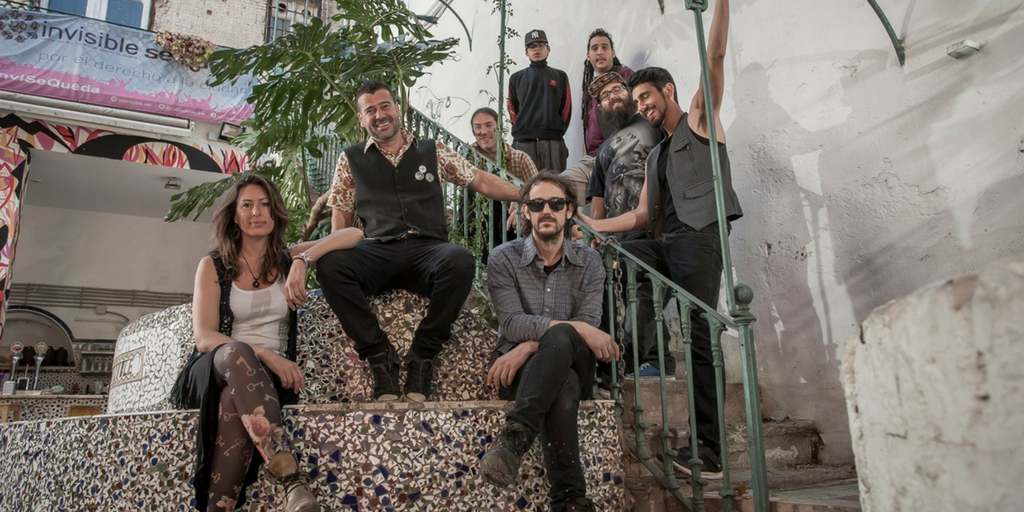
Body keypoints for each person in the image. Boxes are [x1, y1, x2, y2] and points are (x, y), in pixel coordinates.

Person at [578, 0, 741, 479]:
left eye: (648, 97)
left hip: (699, 238)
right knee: (614, 259)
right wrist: (588, 225)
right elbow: (640, 215)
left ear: (668, 90)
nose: (644, 106)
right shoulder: (656, 156)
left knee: (701, 336)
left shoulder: (700, 122)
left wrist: (720, 6)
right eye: (639, 101)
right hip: (664, 241)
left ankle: (709, 450)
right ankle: (613, 359)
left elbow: (714, 58)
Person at [317, 80, 521, 404]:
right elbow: (340, 221)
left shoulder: (432, 150)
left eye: (385, 106)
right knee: (330, 264)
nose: (380, 115)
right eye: (370, 110)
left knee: (460, 260)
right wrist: (313, 256)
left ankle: (423, 355)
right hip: (377, 250)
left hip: (428, 250)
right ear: (361, 118)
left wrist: (527, 195)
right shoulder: (350, 159)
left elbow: (480, 179)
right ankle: (378, 355)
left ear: (398, 109)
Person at [171, 173, 364, 512]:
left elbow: (354, 234)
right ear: (235, 216)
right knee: (237, 352)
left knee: (234, 401)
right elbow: (204, 337)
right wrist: (267, 355)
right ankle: (291, 480)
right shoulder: (214, 265)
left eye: (264, 205)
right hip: (215, 368)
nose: (256, 212)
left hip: (259, 383)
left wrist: (304, 259)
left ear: (275, 214)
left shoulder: (287, 260)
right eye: (247, 205)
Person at [480, 172, 618, 512]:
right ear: (525, 211)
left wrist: (530, 345)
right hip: (518, 373)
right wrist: (543, 341)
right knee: (563, 382)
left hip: (571, 358)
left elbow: (585, 327)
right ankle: (570, 500)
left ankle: (514, 436)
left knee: (563, 340)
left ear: (569, 211)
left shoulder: (589, 261)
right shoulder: (503, 258)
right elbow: (511, 323)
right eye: (537, 204)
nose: (547, 211)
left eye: (556, 204)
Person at [585, 71, 667, 378]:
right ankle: (624, 362)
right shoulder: (603, 150)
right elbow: (597, 200)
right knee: (629, 298)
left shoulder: (653, 123)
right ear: (601, 108)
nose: (612, 96)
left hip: (652, 228)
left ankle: (656, 361)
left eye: (616, 89)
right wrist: (595, 232)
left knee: (648, 294)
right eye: (605, 96)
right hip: (618, 237)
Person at [470, 107, 538, 255]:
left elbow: (538, 194)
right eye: (478, 127)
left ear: (499, 128)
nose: (483, 131)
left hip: (512, 224)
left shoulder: (520, 158)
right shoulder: (467, 157)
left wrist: (523, 205)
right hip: (479, 223)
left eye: (489, 125)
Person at [508, 29, 572, 172]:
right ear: (526, 52)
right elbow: (512, 109)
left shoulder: (560, 76)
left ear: (548, 49)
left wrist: (556, 130)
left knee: (555, 183)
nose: (536, 49)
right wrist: (523, 130)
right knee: (525, 185)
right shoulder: (516, 78)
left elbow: (566, 108)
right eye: (532, 46)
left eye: (540, 45)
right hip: (524, 143)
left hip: (553, 141)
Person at [581, 29, 634, 158]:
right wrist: (584, 157)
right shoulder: (588, 89)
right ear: (588, 55)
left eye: (605, 47)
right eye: (594, 48)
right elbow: (586, 127)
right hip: (592, 158)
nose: (600, 52)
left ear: (613, 53)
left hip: (617, 153)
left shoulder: (624, 75)